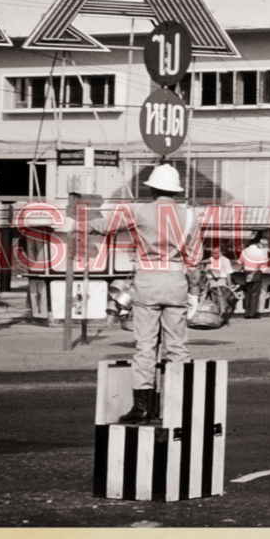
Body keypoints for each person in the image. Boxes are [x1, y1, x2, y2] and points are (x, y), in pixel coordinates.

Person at [81, 162, 198, 424]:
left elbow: (106, 225)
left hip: (147, 280)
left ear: (153, 189)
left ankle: (142, 408)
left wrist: (75, 225)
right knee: (177, 346)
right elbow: (195, 257)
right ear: (176, 191)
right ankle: (180, 406)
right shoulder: (190, 216)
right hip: (177, 280)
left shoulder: (140, 210)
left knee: (145, 345)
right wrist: (195, 292)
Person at [237, 235, 270, 319]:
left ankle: (247, 313)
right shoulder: (261, 252)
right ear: (257, 243)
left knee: (248, 293)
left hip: (247, 274)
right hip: (257, 273)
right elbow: (264, 264)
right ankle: (252, 313)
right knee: (255, 294)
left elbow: (240, 263)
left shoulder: (244, 251)